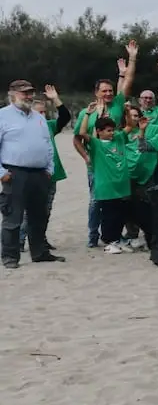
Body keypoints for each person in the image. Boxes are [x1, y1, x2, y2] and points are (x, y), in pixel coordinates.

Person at [0, 79, 64, 268]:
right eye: (24, 93)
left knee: (39, 216)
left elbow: (47, 145)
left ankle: (40, 252)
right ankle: (10, 257)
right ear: (12, 95)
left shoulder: (38, 117)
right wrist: (2, 173)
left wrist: (50, 168)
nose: (28, 96)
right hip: (15, 173)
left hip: (39, 174)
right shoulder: (3, 116)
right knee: (13, 217)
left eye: (30, 92)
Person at [76, 114, 139, 254]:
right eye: (108, 130)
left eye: (112, 130)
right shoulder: (96, 143)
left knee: (121, 215)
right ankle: (109, 242)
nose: (112, 133)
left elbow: (130, 126)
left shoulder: (118, 139)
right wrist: (87, 114)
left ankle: (118, 240)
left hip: (122, 185)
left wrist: (127, 111)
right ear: (99, 131)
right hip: (106, 187)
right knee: (109, 216)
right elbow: (82, 133)